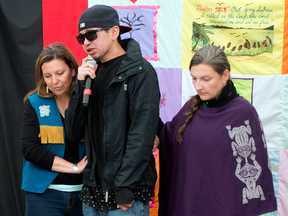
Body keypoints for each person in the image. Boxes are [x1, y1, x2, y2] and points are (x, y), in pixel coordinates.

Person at [158, 45, 277, 216]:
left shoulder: (243, 113)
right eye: (194, 78)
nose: (198, 86)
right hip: (188, 205)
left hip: (225, 209)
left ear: (225, 76)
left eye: (206, 79)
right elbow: (164, 138)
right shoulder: (191, 106)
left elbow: (251, 172)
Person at [64, 4, 160, 216]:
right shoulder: (89, 74)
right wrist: (79, 86)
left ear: (114, 32)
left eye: (91, 35)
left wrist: (124, 187)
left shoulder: (140, 72)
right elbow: (73, 132)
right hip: (92, 195)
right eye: (81, 38)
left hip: (126, 196)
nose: (86, 42)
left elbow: (142, 135)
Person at [21, 43, 88, 216]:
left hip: (85, 194)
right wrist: (74, 168)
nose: (54, 82)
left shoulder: (87, 100)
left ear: (73, 70)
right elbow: (30, 149)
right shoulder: (34, 103)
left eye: (60, 73)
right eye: (47, 76)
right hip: (44, 194)